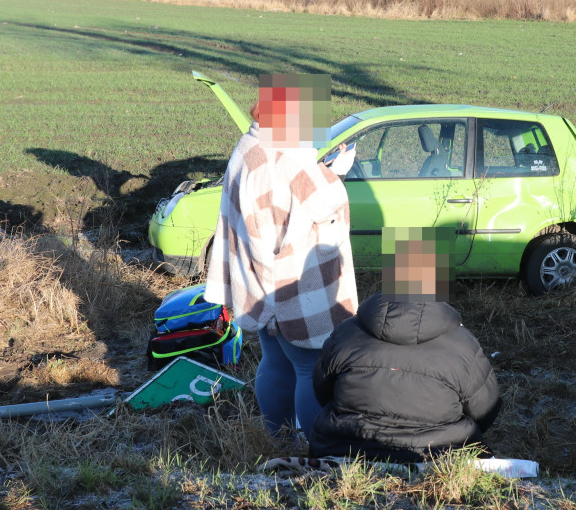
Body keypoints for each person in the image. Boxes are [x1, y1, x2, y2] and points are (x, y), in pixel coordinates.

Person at [204, 73, 358, 437]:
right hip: (294, 289)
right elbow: (324, 205)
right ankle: (310, 444)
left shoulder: (249, 145)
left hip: (257, 282)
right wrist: (336, 173)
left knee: (274, 361)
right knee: (309, 368)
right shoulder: (291, 158)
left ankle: (277, 436)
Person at [308, 226, 501, 463]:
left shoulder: (347, 332)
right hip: (437, 455)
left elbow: (322, 390)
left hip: (345, 449)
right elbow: (486, 410)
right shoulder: (464, 345)